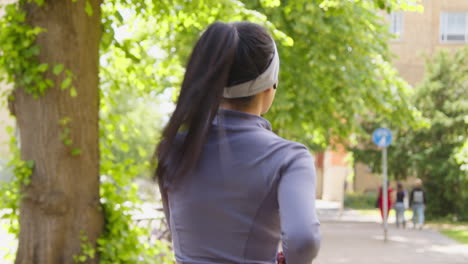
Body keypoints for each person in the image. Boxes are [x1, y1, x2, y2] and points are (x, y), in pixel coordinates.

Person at [154, 22, 321, 264]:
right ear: (270, 83)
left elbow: (177, 226)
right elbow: (303, 240)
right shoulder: (289, 158)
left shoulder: (172, 149)